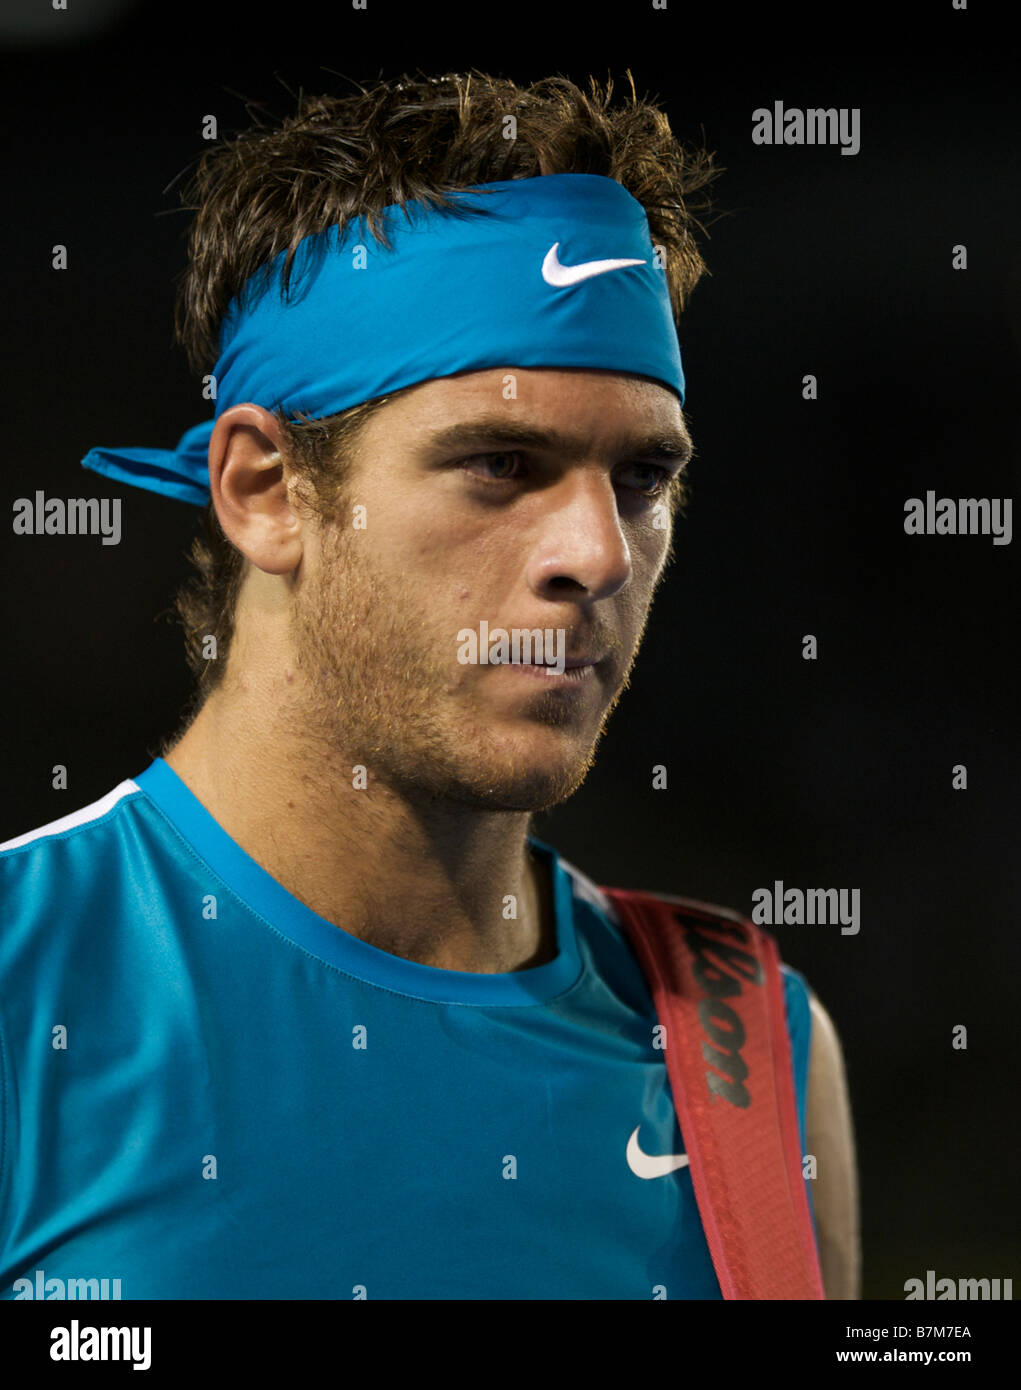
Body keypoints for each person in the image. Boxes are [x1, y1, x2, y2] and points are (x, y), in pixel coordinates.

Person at [0, 69, 858, 1299]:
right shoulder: (24, 985)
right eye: (502, 464)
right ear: (265, 491)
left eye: (640, 478)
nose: (598, 554)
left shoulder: (756, 1047)